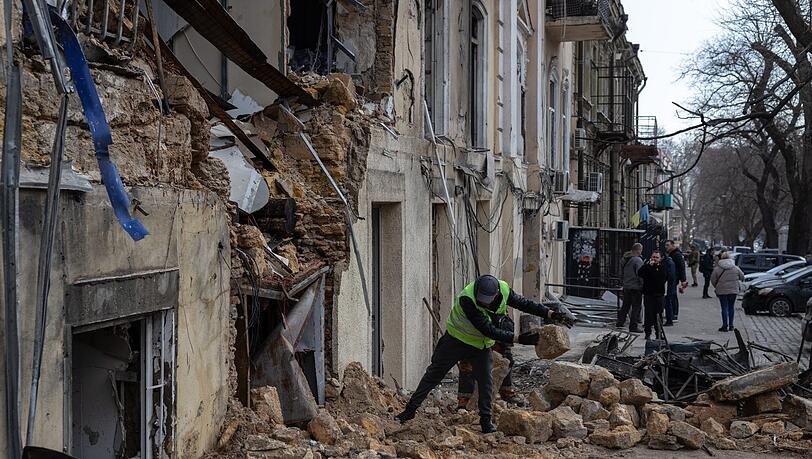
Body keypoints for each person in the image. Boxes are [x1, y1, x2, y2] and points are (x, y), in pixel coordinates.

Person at [395, 275, 572, 433]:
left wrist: (550, 313)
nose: (484, 303)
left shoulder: (503, 289)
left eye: (488, 300)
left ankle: (486, 421)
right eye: (482, 299)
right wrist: (519, 339)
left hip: (479, 346)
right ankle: (410, 410)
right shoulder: (467, 299)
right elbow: (488, 330)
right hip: (455, 341)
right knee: (434, 374)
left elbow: (524, 303)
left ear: (496, 294)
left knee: (486, 382)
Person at [457, 315, 517, 407]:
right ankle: (465, 399)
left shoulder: (502, 321)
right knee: (468, 364)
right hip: (474, 328)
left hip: (498, 321)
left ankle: (506, 392)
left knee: (507, 359)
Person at [638, 250, 669, 341]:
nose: (654, 259)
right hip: (648, 295)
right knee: (648, 315)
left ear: (660, 259)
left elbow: (660, 279)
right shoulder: (647, 267)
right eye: (653, 257)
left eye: (656, 257)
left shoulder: (662, 268)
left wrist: (652, 270)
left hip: (659, 295)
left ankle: (658, 333)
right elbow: (640, 273)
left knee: (658, 315)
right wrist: (649, 266)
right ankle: (647, 333)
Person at [711, 251, 745, 331]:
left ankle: (724, 325)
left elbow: (713, 280)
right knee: (731, 307)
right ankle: (731, 325)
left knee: (724, 308)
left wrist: (717, 286)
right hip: (733, 290)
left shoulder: (717, 269)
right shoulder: (735, 268)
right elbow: (742, 277)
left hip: (722, 290)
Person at [616, 243, 644, 333]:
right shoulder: (637, 260)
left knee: (625, 305)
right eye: (641, 250)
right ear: (638, 250)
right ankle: (633, 326)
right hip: (635, 287)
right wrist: (642, 285)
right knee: (636, 307)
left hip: (626, 286)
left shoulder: (624, 259)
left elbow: (621, 273)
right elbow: (640, 274)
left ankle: (620, 322)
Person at [665, 240, 688, 322]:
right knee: (672, 296)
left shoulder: (676, 255)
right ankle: (673, 314)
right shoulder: (672, 254)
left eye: (668, 245)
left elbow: (682, 267)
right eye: (666, 245)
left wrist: (683, 280)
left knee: (672, 296)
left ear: (672, 245)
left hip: (674, 278)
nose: (666, 247)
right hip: (673, 277)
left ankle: (674, 314)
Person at [663, 253, 678, 326]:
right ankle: (669, 318)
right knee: (668, 302)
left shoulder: (668, 263)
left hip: (668, 285)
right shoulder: (669, 262)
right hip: (670, 285)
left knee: (667, 302)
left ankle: (669, 319)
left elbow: (670, 276)